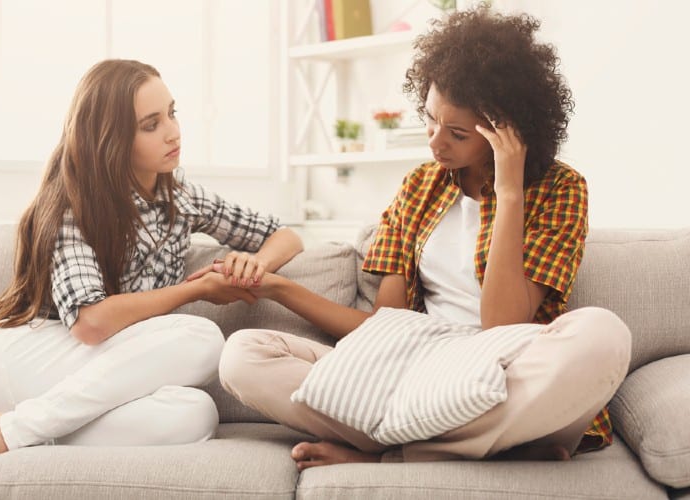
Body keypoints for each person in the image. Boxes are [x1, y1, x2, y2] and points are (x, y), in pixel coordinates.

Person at [214, 7, 631, 470]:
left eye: (456, 134)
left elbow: (503, 325)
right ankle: (479, 446)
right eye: (430, 120)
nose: (434, 143)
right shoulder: (419, 186)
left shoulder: (560, 188)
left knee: (604, 334)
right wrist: (277, 287)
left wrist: (510, 192)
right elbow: (385, 328)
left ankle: (393, 453)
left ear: (507, 132)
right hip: (418, 370)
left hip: (506, 367)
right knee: (243, 356)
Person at [0, 59, 303, 487]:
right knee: (201, 338)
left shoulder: (181, 197)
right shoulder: (72, 205)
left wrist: (254, 264)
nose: (173, 131)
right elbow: (91, 323)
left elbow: (285, 236)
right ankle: (11, 431)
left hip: (64, 386)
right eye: (151, 124)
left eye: (172, 113)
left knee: (195, 414)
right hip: (11, 363)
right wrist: (193, 292)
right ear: (110, 139)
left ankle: (3, 429)